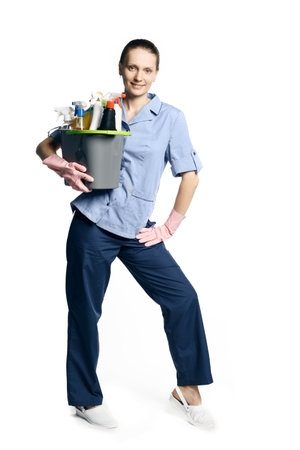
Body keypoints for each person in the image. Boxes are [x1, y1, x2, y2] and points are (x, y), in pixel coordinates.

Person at [36, 39, 215, 430]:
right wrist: (60, 166)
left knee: (183, 298)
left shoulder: (170, 118)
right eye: (133, 67)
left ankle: (187, 389)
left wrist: (168, 226)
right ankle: (84, 399)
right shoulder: (101, 110)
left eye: (147, 70)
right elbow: (46, 143)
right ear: (121, 68)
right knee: (85, 311)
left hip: (137, 230)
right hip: (92, 225)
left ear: (155, 74)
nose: (139, 76)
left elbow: (190, 176)